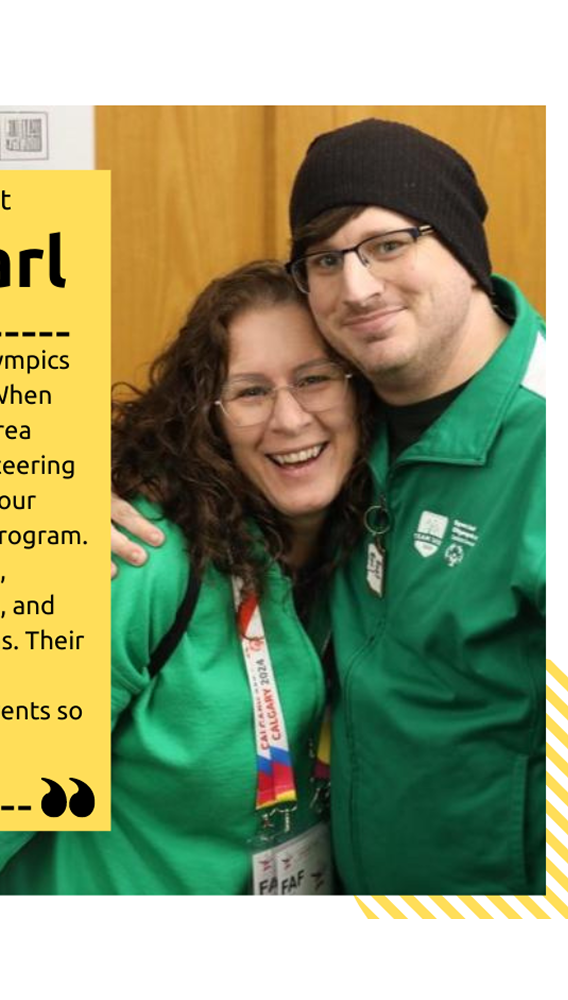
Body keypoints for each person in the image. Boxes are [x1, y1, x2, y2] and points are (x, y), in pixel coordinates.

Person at [112, 119, 546, 895]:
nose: (358, 286)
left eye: (389, 243)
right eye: (325, 258)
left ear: (464, 248)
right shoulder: (346, 442)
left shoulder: (544, 445)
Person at [0, 261, 370, 894]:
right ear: (206, 419)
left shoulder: (375, 553)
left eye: (315, 379)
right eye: (249, 392)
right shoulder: (141, 560)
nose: (291, 419)